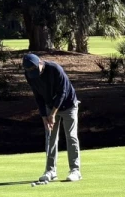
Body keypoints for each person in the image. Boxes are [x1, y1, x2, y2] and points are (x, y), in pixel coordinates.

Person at [22, 52, 82, 185]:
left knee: (71, 136)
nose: (34, 74)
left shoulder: (55, 69)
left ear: (40, 63)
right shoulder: (29, 75)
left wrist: (53, 114)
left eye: (35, 70)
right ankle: (50, 171)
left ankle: (75, 170)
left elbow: (62, 93)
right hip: (49, 106)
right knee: (50, 137)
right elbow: (38, 96)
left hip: (69, 104)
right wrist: (44, 117)